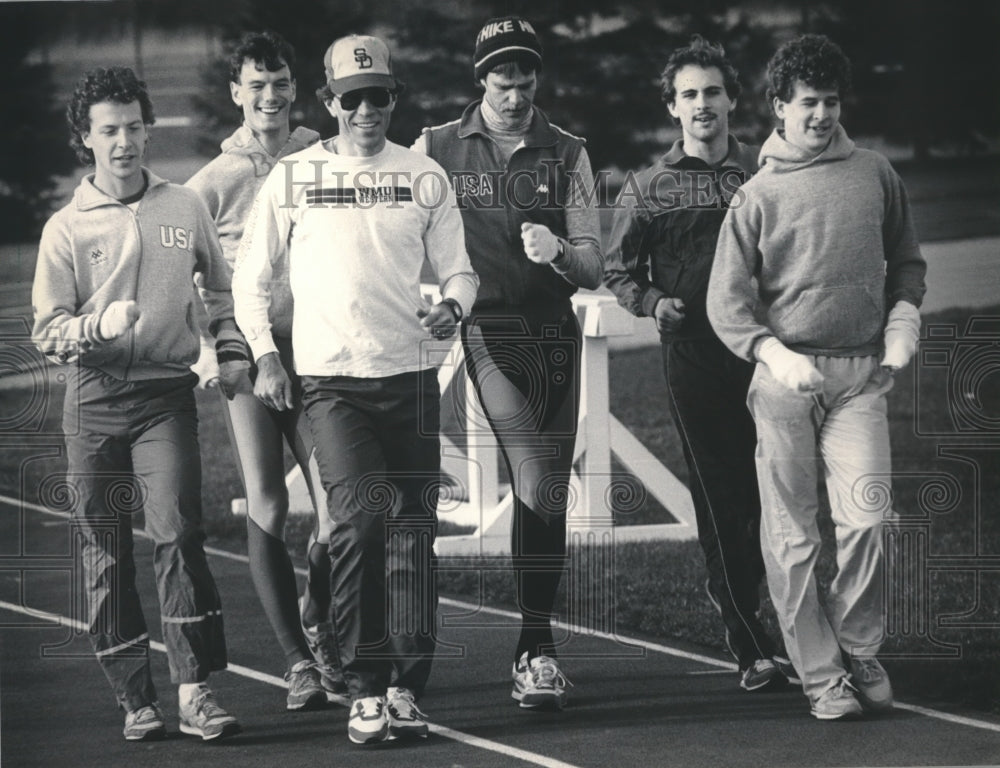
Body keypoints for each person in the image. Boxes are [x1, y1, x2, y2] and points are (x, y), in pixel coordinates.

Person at [233, 34, 478, 745]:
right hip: (332, 386)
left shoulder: (423, 175)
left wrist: (454, 305)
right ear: (330, 101)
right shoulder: (293, 177)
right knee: (362, 523)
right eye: (353, 98)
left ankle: (407, 685)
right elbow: (250, 280)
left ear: (394, 98)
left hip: (409, 378)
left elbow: (461, 270)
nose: (367, 110)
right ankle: (365, 687)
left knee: (414, 534)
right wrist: (267, 357)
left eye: (380, 96)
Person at [707, 34, 926, 720]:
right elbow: (727, 303)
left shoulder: (875, 174)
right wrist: (774, 355)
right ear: (779, 106)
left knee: (867, 522)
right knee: (795, 536)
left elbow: (908, 263)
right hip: (784, 384)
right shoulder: (757, 196)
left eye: (831, 101)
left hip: (860, 377)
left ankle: (858, 647)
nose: (821, 115)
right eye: (808, 103)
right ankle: (821, 675)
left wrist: (901, 324)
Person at [32, 66, 241, 742]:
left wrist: (230, 346)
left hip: (163, 398)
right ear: (85, 140)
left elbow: (222, 291)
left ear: (148, 128)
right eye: (109, 131)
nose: (124, 142)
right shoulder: (64, 229)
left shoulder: (184, 206)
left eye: (133, 127)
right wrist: (96, 327)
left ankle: (192, 689)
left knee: (177, 531)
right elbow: (48, 331)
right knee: (106, 550)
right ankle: (134, 698)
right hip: (92, 401)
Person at [414, 14, 603, 711]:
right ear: (480, 80)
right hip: (487, 330)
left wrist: (558, 250)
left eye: (525, 81)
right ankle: (538, 649)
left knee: (549, 490)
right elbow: (399, 232)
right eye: (503, 82)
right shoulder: (434, 148)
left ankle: (533, 643)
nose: (516, 95)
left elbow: (593, 264)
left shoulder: (569, 151)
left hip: (555, 331)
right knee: (533, 470)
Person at [604, 35, 789, 694]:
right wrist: (653, 302)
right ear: (672, 108)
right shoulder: (648, 188)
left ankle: (798, 628)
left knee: (781, 498)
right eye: (689, 94)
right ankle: (751, 643)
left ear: (735, 99)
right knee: (724, 499)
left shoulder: (768, 169)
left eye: (713, 91)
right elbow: (618, 269)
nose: (703, 104)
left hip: (769, 357)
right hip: (696, 361)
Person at [185, 30, 346, 711]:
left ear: (296, 88)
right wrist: (216, 351)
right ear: (236, 94)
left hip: (320, 355)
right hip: (248, 361)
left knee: (339, 509)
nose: (271, 96)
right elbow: (187, 279)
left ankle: (319, 605)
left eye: (280, 83)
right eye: (257, 85)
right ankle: (298, 663)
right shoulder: (210, 184)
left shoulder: (324, 155)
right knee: (269, 502)